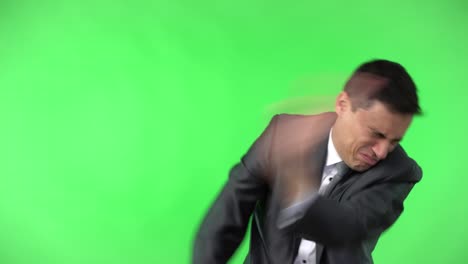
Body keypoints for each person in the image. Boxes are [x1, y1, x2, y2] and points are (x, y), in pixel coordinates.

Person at [193, 59, 422, 264]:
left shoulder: (399, 171)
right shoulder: (282, 135)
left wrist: (297, 179)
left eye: (394, 141)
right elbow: (228, 213)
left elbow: (348, 226)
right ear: (342, 104)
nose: (382, 152)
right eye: (376, 134)